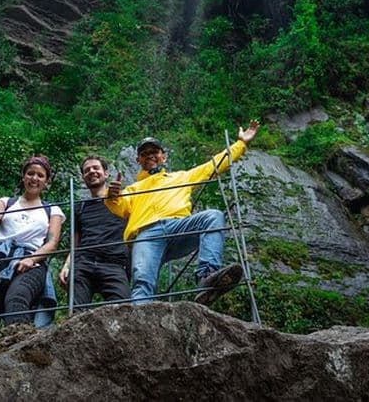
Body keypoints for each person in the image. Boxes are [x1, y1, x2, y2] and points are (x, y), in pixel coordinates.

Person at [105, 120, 260, 305]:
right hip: (146, 234)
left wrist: (241, 144)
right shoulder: (133, 188)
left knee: (213, 216)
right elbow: (118, 206)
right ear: (138, 160)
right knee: (142, 280)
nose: (150, 156)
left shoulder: (182, 177)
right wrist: (112, 195)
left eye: (154, 152)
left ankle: (207, 279)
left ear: (164, 156)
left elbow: (214, 165)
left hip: (178, 227)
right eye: (144, 154)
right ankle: (140, 321)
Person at [0, 155, 64, 339]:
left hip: (32, 260)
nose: (34, 178)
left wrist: (31, 259)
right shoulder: (6, 202)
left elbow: (52, 242)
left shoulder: (52, 209)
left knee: (17, 300)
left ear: (46, 181)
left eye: (40, 175)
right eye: (30, 173)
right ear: (23, 177)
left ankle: (20, 350)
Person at [58, 155, 129, 308]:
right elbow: (75, 243)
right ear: (83, 177)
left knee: (123, 311)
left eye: (96, 168)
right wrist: (67, 266)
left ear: (106, 173)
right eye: (87, 170)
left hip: (114, 263)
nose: (91, 172)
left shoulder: (123, 201)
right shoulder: (80, 208)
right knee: (76, 313)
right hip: (84, 263)